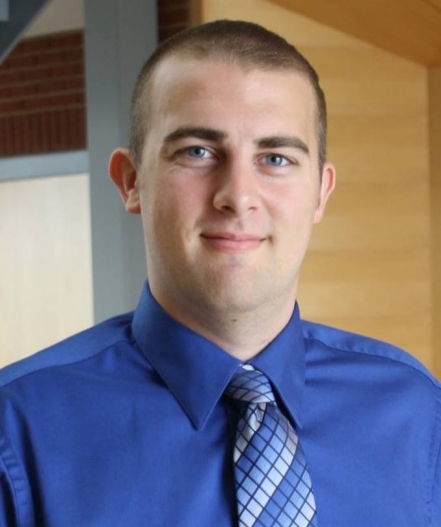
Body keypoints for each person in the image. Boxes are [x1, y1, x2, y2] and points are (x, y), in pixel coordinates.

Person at [0, 19, 439, 527]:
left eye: (275, 158)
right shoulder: (18, 430)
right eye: (198, 152)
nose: (238, 196)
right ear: (131, 181)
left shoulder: (418, 413)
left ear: (321, 191)